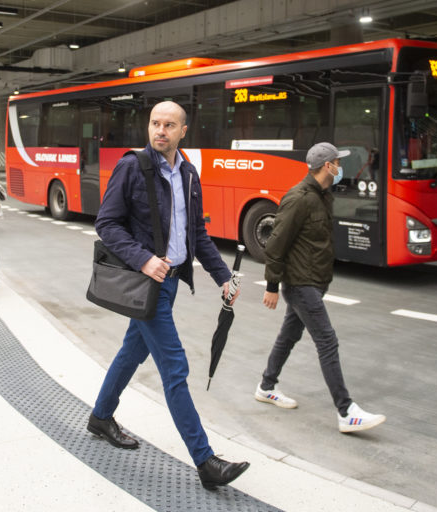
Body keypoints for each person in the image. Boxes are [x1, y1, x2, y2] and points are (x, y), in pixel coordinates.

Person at [88, 101, 250, 490]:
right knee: (175, 368)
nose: (160, 130)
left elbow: (197, 234)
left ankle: (100, 416)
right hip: (147, 284)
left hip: (172, 282)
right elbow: (106, 223)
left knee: (132, 351)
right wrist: (143, 259)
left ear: (183, 131)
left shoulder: (189, 174)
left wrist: (223, 278)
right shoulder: (133, 166)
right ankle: (205, 460)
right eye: (155, 124)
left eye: (169, 125)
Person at [255, 142, 386, 433]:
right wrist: (272, 286)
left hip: (315, 281)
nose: (340, 168)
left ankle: (266, 386)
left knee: (288, 336)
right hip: (301, 285)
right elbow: (275, 245)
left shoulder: (323, 196)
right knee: (327, 342)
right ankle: (346, 411)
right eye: (337, 163)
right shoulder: (299, 198)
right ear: (327, 166)